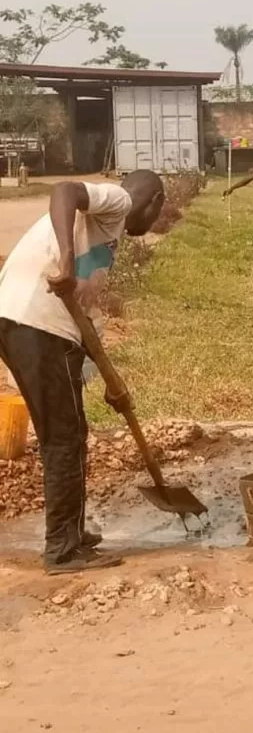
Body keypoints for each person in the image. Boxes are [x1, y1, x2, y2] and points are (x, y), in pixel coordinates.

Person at [0, 171, 165, 574]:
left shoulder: (106, 235)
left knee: (72, 432)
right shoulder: (119, 201)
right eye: (158, 211)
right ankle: (61, 549)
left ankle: (71, 531)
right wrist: (67, 260)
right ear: (155, 201)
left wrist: (109, 378)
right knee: (63, 437)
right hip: (36, 325)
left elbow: (84, 321)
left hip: (30, 325)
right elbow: (65, 190)